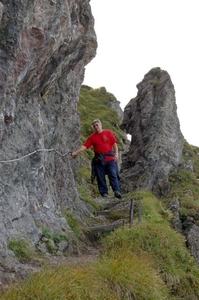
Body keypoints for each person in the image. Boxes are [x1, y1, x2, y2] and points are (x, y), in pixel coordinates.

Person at [71, 119, 122, 199]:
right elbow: (84, 146)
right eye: (94, 126)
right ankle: (104, 193)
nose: (96, 127)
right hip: (99, 159)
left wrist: (116, 154)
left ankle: (116, 191)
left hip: (110, 158)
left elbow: (114, 143)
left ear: (101, 125)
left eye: (97, 125)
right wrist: (76, 152)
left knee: (113, 174)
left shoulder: (108, 133)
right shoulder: (92, 137)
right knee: (100, 176)